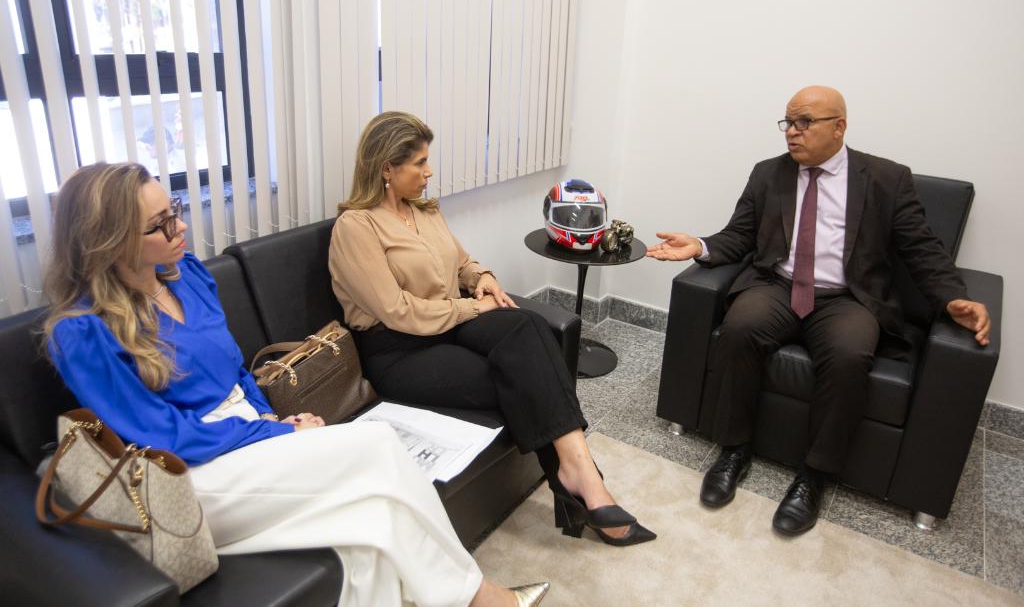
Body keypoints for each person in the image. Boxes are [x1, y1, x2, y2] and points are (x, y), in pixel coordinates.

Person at [43, 162, 548, 607]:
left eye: (174, 209)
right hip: (191, 473)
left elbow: (234, 368)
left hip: (245, 431)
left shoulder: (185, 275)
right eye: (160, 224)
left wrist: (269, 415)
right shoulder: (82, 332)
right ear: (111, 243)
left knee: (369, 530)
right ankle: (480, 598)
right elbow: (164, 437)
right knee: (376, 443)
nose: (180, 227)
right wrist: (278, 433)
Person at [647, 85, 990, 536]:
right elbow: (740, 235)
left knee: (849, 355)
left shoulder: (886, 178)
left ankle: (814, 475)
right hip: (777, 285)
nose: (792, 132)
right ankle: (733, 450)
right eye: (788, 123)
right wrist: (700, 245)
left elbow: (921, 249)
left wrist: (951, 298)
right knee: (739, 329)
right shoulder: (768, 173)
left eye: (804, 122)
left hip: (847, 297)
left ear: (839, 126)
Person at [329, 112, 655, 547]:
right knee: (520, 375)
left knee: (528, 326)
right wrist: (472, 306)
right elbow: (398, 312)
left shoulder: (423, 211)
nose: (429, 172)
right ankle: (586, 483)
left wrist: (481, 277)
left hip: (446, 324)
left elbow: (461, 263)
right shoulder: (355, 227)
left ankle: (577, 474)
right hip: (400, 350)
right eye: (420, 163)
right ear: (387, 167)